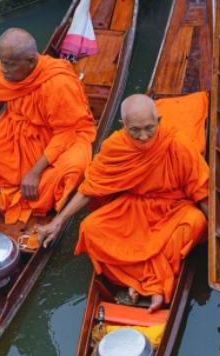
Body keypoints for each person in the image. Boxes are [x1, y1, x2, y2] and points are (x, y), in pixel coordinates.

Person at [35, 93, 209, 312]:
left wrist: (218, 235)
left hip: (173, 208)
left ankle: (142, 282)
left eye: (149, 127)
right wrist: (58, 221)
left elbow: (201, 190)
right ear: (123, 125)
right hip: (133, 207)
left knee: (196, 222)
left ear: (159, 121)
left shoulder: (176, 143)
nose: (144, 137)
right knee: (90, 229)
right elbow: (90, 187)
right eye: (135, 130)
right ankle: (149, 282)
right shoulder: (115, 146)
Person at [0, 28, 95, 225]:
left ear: (31, 62)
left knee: (73, 169)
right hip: (19, 128)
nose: (2, 69)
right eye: (1, 61)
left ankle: (13, 199)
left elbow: (66, 133)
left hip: (59, 136)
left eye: (9, 65)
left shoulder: (58, 83)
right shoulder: (3, 74)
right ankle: (20, 193)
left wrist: (34, 173)